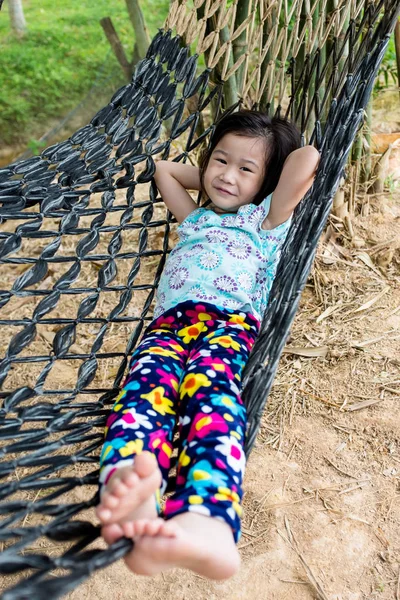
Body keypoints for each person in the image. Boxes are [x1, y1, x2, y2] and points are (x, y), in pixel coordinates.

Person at [95, 109, 320, 579]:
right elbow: (163, 170)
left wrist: (260, 183)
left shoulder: (266, 220)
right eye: (220, 161)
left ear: (267, 181)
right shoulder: (194, 217)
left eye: (245, 169)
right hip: (168, 328)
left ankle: (207, 521)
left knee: (210, 395)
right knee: (141, 393)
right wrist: (218, 173)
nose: (226, 175)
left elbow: (308, 158)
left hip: (228, 324)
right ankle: (131, 502)